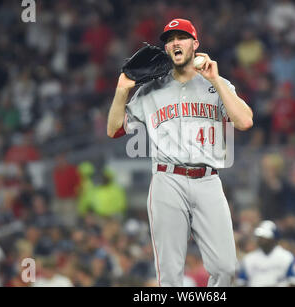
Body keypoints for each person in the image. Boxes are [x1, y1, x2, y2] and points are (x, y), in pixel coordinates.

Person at [107, 18, 253, 286]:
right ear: (166, 49)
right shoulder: (150, 90)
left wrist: (216, 80)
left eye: (181, 37)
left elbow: (244, 121)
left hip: (208, 180)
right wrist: (121, 90)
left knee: (226, 268)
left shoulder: (217, 84)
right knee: (170, 273)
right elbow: (114, 129)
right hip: (167, 179)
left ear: (195, 44)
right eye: (169, 39)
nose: (175, 42)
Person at [237, 220, 295, 287]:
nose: (261, 240)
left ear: (274, 239)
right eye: (260, 237)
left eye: (265, 237)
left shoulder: (287, 257)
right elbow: (241, 282)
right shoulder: (249, 258)